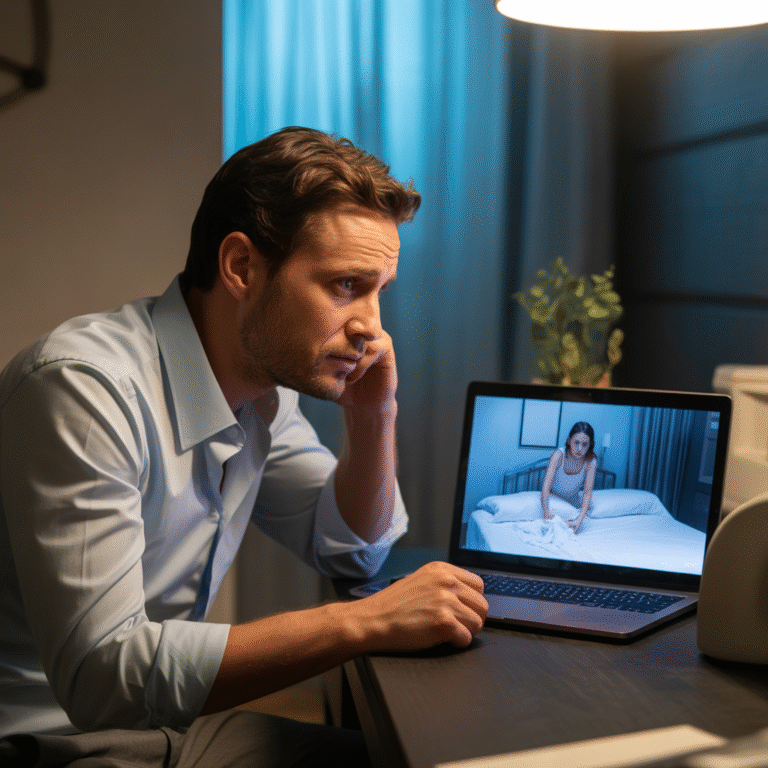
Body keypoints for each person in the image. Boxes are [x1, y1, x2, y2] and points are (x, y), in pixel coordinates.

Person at [0, 127, 488, 767]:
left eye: (378, 293)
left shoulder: (260, 394)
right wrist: (361, 624)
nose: (373, 328)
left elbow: (353, 550)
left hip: (150, 726)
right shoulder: (85, 390)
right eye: (345, 286)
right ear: (241, 267)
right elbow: (102, 677)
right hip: (47, 740)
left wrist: (375, 415)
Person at [540, 421, 598, 534]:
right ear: (569, 441)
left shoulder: (591, 461)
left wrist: (579, 520)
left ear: (590, 445)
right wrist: (546, 514)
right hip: (552, 499)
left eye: (585, 444)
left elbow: (587, 492)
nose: (580, 448)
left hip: (573, 503)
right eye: (576, 442)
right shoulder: (558, 455)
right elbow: (545, 486)